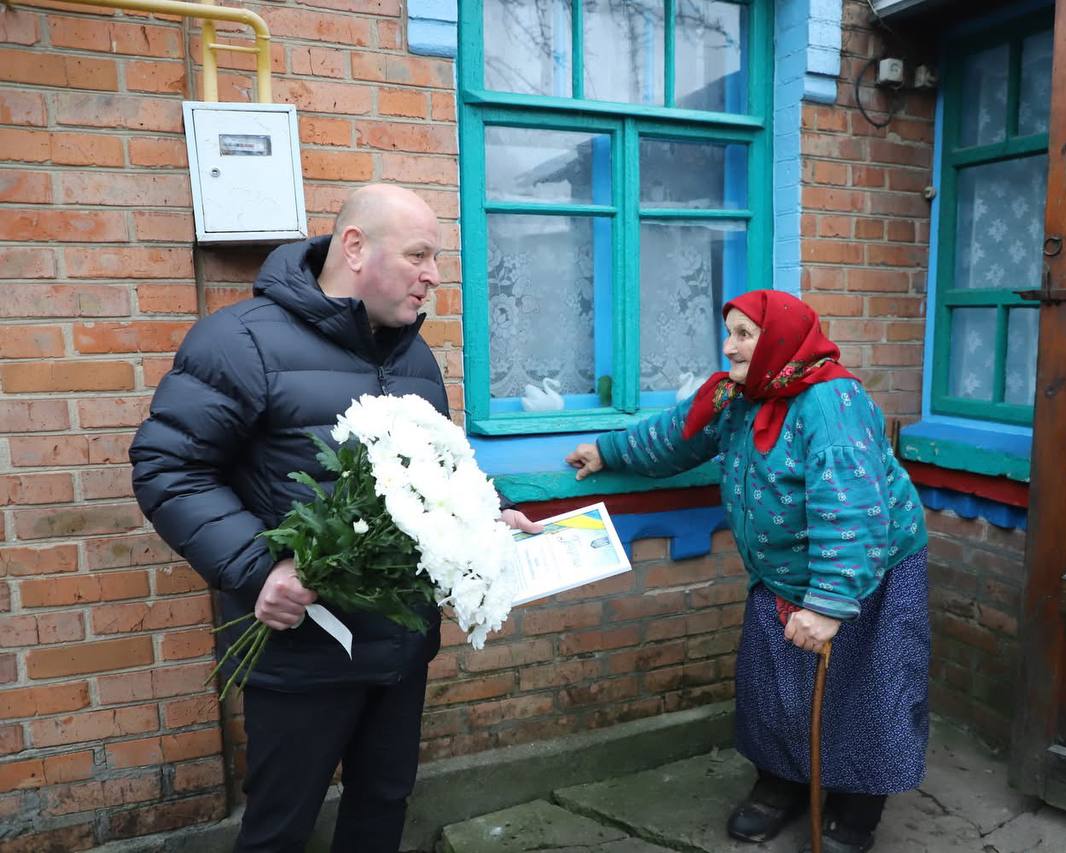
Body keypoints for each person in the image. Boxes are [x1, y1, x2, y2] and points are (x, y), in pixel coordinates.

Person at [130, 184, 539, 853]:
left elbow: (433, 473)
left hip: (400, 645)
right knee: (279, 829)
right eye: (419, 255)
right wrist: (259, 569)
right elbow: (169, 468)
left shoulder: (412, 355)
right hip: (302, 653)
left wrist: (490, 518)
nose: (435, 275)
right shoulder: (240, 342)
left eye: (435, 259)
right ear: (355, 247)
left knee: (382, 807)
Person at [567, 290, 929, 853]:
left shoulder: (832, 402)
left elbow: (853, 508)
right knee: (773, 689)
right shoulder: (740, 394)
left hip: (863, 571)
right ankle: (781, 784)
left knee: (866, 694)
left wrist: (829, 604)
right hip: (781, 574)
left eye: (743, 334)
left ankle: (857, 810)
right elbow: (676, 437)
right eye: (729, 332)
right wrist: (608, 451)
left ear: (781, 340)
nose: (729, 346)